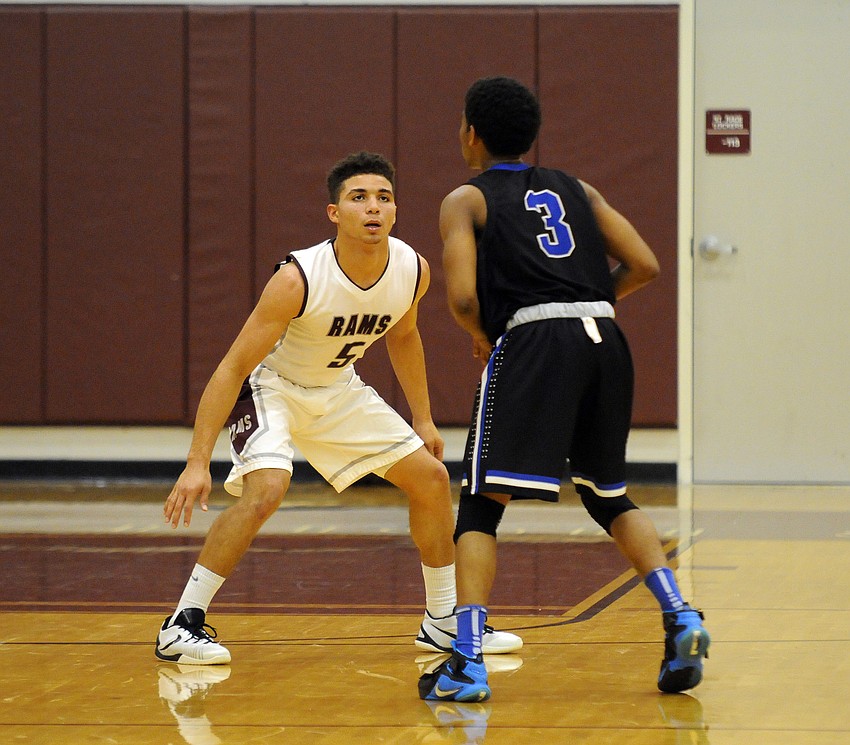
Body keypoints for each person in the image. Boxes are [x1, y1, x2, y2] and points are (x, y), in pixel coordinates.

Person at [155, 151, 521, 665]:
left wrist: (423, 417)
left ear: (395, 211)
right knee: (269, 488)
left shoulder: (412, 269)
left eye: (384, 198)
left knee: (432, 479)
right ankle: (182, 624)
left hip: (337, 389)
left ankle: (442, 622)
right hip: (273, 389)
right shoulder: (297, 278)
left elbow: (405, 337)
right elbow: (231, 368)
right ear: (334, 213)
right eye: (359, 198)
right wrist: (197, 463)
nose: (373, 208)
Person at [419, 78, 710, 702]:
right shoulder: (579, 188)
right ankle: (680, 612)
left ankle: (465, 661)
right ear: (531, 136)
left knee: (479, 501)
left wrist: (488, 335)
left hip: (534, 341)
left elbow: (464, 297)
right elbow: (646, 264)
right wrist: (588, 302)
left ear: (471, 132)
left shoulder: (464, 199)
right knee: (608, 494)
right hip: (606, 339)